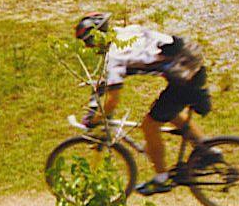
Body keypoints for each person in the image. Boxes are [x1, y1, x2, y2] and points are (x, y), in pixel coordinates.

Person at [74, 11, 221, 195]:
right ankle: (207, 150)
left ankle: (162, 179)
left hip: (185, 75)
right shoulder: (123, 32)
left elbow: (112, 100)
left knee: (149, 125)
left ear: (98, 37)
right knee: (171, 113)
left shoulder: (115, 57)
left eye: (88, 42)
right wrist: (95, 105)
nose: (88, 47)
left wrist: (95, 120)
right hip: (191, 61)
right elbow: (104, 82)